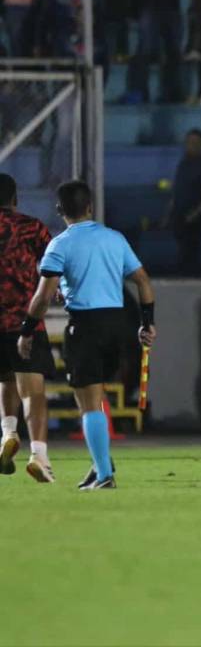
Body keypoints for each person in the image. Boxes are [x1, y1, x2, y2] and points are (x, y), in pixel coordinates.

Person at [18, 181, 156, 490]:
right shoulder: (115, 239)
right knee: (97, 398)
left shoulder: (60, 244)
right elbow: (143, 282)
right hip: (118, 325)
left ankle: (105, 474)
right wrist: (147, 323)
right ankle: (99, 466)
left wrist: (27, 331)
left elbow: (43, 297)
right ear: (90, 207)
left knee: (89, 402)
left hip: (85, 326)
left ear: (59, 211)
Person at [0, 174, 54, 482]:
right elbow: (54, 264)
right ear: (15, 198)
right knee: (33, 391)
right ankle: (39, 456)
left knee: (5, 380)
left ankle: (8, 433)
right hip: (25, 322)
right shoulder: (32, 227)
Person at [163, 129, 201, 277]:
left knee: (191, 252)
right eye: (189, 143)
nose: (192, 146)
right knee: (182, 252)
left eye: (196, 143)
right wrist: (168, 215)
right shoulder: (183, 164)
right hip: (179, 216)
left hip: (196, 218)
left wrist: (196, 213)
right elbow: (177, 191)